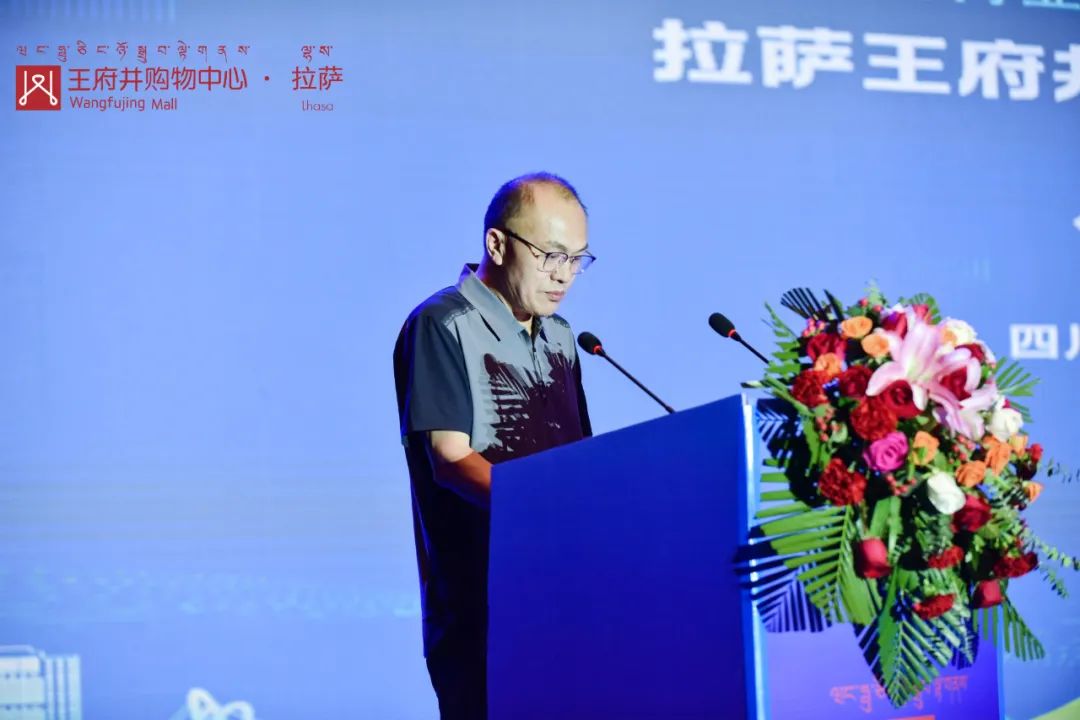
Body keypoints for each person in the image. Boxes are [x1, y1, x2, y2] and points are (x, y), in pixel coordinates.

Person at [393, 172, 595, 719]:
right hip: (482, 609)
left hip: (566, 594)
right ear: (498, 244)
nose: (564, 274)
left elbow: (579, 459)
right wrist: (544, 512)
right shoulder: (442, 324)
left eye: (577, 259)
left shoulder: (561, 336)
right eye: (551, 255)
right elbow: (450, 459)